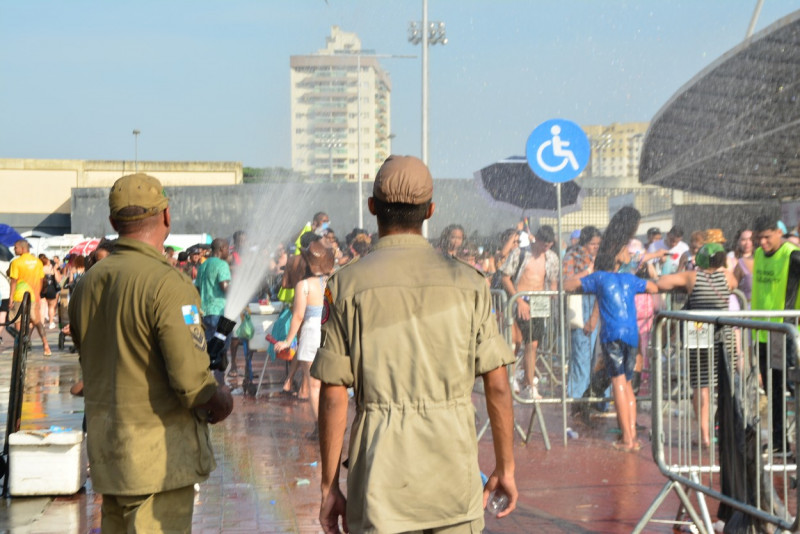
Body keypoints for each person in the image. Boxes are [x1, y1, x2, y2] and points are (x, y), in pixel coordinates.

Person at [311, 155, 517, 533]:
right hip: (453, 481)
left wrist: (329, 486)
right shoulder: (469, 283)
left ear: (372, 207)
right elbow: (498, 384)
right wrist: (505, 468)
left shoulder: (345, 286)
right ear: (430, 211)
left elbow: (334, 394)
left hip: (379, 484)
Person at [68, 173, 233, 532]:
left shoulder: (86, 284)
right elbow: (192, 384)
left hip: (110, 459)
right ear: (167, 216)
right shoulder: (168, 284)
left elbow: (92, 358)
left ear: (113, 223)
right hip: (158, 465)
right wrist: (220, 399)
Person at [565, 207, 659, 452]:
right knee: (621, 377)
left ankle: (624, 431)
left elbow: (587, 283)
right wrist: (595, 318)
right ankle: (623, 427)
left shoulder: (617, 254)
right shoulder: (615, 249)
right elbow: (602, 285)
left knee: (619, 377)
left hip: (619, 318)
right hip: (625, 314)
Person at [657, 243, 737, 448]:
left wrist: (685, 276)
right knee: (725, 385)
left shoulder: (692, 277)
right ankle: (727, 430)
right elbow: (735, 283)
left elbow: (662, 282)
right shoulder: (727, 276)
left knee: (701, 386)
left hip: (700, 333)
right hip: (723, 333)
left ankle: (704, 436)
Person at [274, 239, 335, 437]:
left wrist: (288, 340)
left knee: (314, 386)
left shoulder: (303, 285)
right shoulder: (334, 281)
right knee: (331, 384)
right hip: (331, 334)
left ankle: (320, 427)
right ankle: (334, 423)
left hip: (311, 334)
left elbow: (298, 315)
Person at [751, 214, 800, 456]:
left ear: (779, 233)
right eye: (759, 238)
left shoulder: (792, 255)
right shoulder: (759, 254)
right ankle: (780, 442)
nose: (762, 243)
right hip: (763, 333)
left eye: (767, 237)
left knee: (792, 387)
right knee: (773, 390)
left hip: (785, 332)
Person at [500, 225, 558, 399]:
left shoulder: (552, 257)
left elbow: (553, 279)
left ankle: (529, 381)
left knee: (533, 344)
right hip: (521, 298)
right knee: (515, 343)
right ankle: (511, 378)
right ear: (536, 239)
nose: (545, 248)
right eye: (543, 244)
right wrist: (518, 299)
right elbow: (505, 277)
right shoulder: (521, 253)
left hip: (540, 300)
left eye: (549, 245)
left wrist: (552, 294)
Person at [562, 226, 601, 405]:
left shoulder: (601, 257)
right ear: (584, 242)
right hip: (581, 303)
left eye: (598, 244)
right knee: (581, 356)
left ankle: (593, 396)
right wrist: (587, 272)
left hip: (597, 303)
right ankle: (577, 398)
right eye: (593, 244)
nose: (596, 247)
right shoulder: (572, 256)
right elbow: (565, 282)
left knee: (595, 357)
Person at [195, 238, 232, 379]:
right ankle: (219, 382)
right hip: (220, 312)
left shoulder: (203, 266)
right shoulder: (222, 265)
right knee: (222, 348)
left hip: (205, 313)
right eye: (227, 249)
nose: (228, 252)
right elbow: (224, 286)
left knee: (208, 348)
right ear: (221, 248)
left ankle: (207, 380)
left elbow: (197, 289)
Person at [8, 239, 52, 356]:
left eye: (15, 247)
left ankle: (18, 348)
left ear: (22, 249)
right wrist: (37, 294)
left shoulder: (16, 263)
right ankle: (46, 345)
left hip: (19, 295)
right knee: (37, 322)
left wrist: (11, 297)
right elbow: (41, 279)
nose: (14, 249)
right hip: (33, 296)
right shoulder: (37, 262)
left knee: (18, 322)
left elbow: (13, 281)